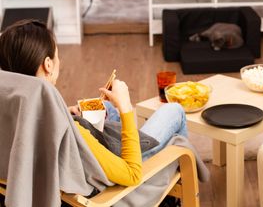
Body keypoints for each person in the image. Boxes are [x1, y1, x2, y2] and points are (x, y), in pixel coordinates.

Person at [0, 19, 188, 186]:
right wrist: (125, 107)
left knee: (105, 108)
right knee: (174, 110)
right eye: (57, 54)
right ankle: (183, 184)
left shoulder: (11, 114)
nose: (60, 60)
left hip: (72, 165)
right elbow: (132, 174)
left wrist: (65, 111)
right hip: (116, 179)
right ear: (48, 64)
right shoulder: (71, 130)